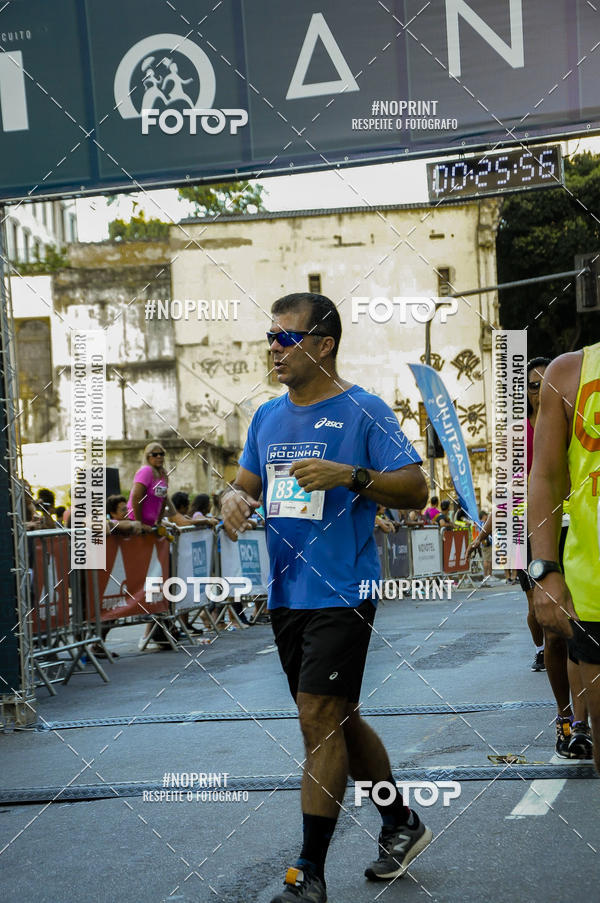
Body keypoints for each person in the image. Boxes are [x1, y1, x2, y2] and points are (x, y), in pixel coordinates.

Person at [222, 292, 432, 903]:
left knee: (316, 716)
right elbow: (243, 489)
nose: (274, 349)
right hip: (287, 592)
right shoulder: (266, 418)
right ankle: (400, 821)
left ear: (322, 344)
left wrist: (351, 476)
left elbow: (416, 488)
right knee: (336, 716)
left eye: (285, 338)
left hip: (344, 587)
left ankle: (307, 872)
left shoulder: (363, 411)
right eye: (271, 337)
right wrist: (233, 502)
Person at [528, 344, 598, 767]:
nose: (537, 391)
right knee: (553, 634)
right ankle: (568, 718)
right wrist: (542, 567)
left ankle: (578, 722)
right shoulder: (570, 377)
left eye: (540, 385)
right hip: (552, 539)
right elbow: (540, 477)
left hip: (570, 530)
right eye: (531, 387)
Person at [128, 442, 176, 651]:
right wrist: (139, 523)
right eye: (154, 454)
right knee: (133, 583)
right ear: (147, 456)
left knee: (157, 582)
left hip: (153, 530)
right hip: (139, 530)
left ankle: (155, 632)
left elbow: (164, 502)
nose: (158, 457)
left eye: (162, 453)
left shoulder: (163, 474)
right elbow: (136, 497)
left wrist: (159, 522)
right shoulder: (146, 472)